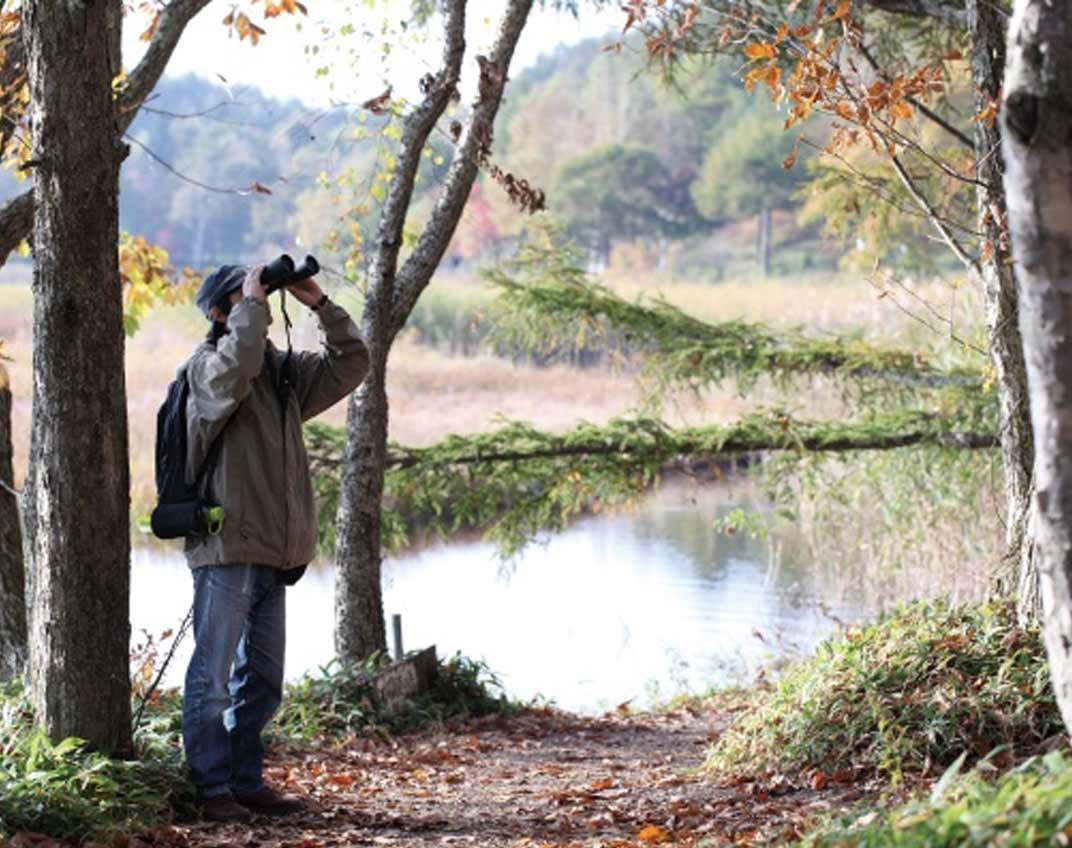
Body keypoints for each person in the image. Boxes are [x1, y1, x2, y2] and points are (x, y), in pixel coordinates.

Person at [180, 263, 368, 823]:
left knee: (261, 681)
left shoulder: (282, 377)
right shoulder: (207, 369)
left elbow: (353, 363)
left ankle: (244, 781)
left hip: (275, 551)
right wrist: (255, 303)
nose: (258, 303)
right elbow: (233, 371)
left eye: (259, 296)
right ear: (221, 312)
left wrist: (318, 302)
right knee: (212, 679)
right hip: (227, 547)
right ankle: (212, 791)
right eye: (243, 298)